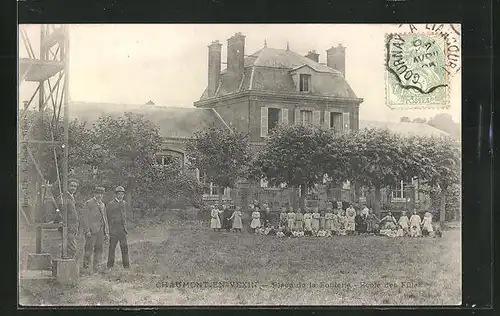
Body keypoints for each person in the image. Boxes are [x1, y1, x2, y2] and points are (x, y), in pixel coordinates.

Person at [81, 186, 109, 273]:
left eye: (101, 194)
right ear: (94, 194)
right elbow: (84, 218)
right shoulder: (89, 203)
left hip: (101, 231)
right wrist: (87, 231)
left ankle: (97, 267)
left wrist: (106, 232)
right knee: (89, 249)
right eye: (98, 193)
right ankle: (86, 267)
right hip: (91, 231)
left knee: (99, 249)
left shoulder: (102, 204)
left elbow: (105, 218)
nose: (99, 195)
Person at [55, 178, 80, 259]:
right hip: (67, 226)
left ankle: (65, 264)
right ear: (67, 186)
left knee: (67, 247)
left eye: (75, 187)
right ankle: (66, 263)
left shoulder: (72, 198)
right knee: (72, 248)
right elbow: (57, 210)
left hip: (73, 227)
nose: (73, 188)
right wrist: (60, 221)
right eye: (71, 186)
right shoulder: (63, 197)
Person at [106, 186, 130, 269]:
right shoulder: (110, 204)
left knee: (124, 248)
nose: (120, 196)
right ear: (116, 195)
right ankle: (110, 266)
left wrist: (125, 227)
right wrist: (109, 230)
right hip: (114, 230)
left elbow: (125, 217)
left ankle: (126, 266)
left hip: (122, 230)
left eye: (122, 194)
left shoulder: (124, 203)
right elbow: (107, 218)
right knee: (112, 249)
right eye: (119, 194)